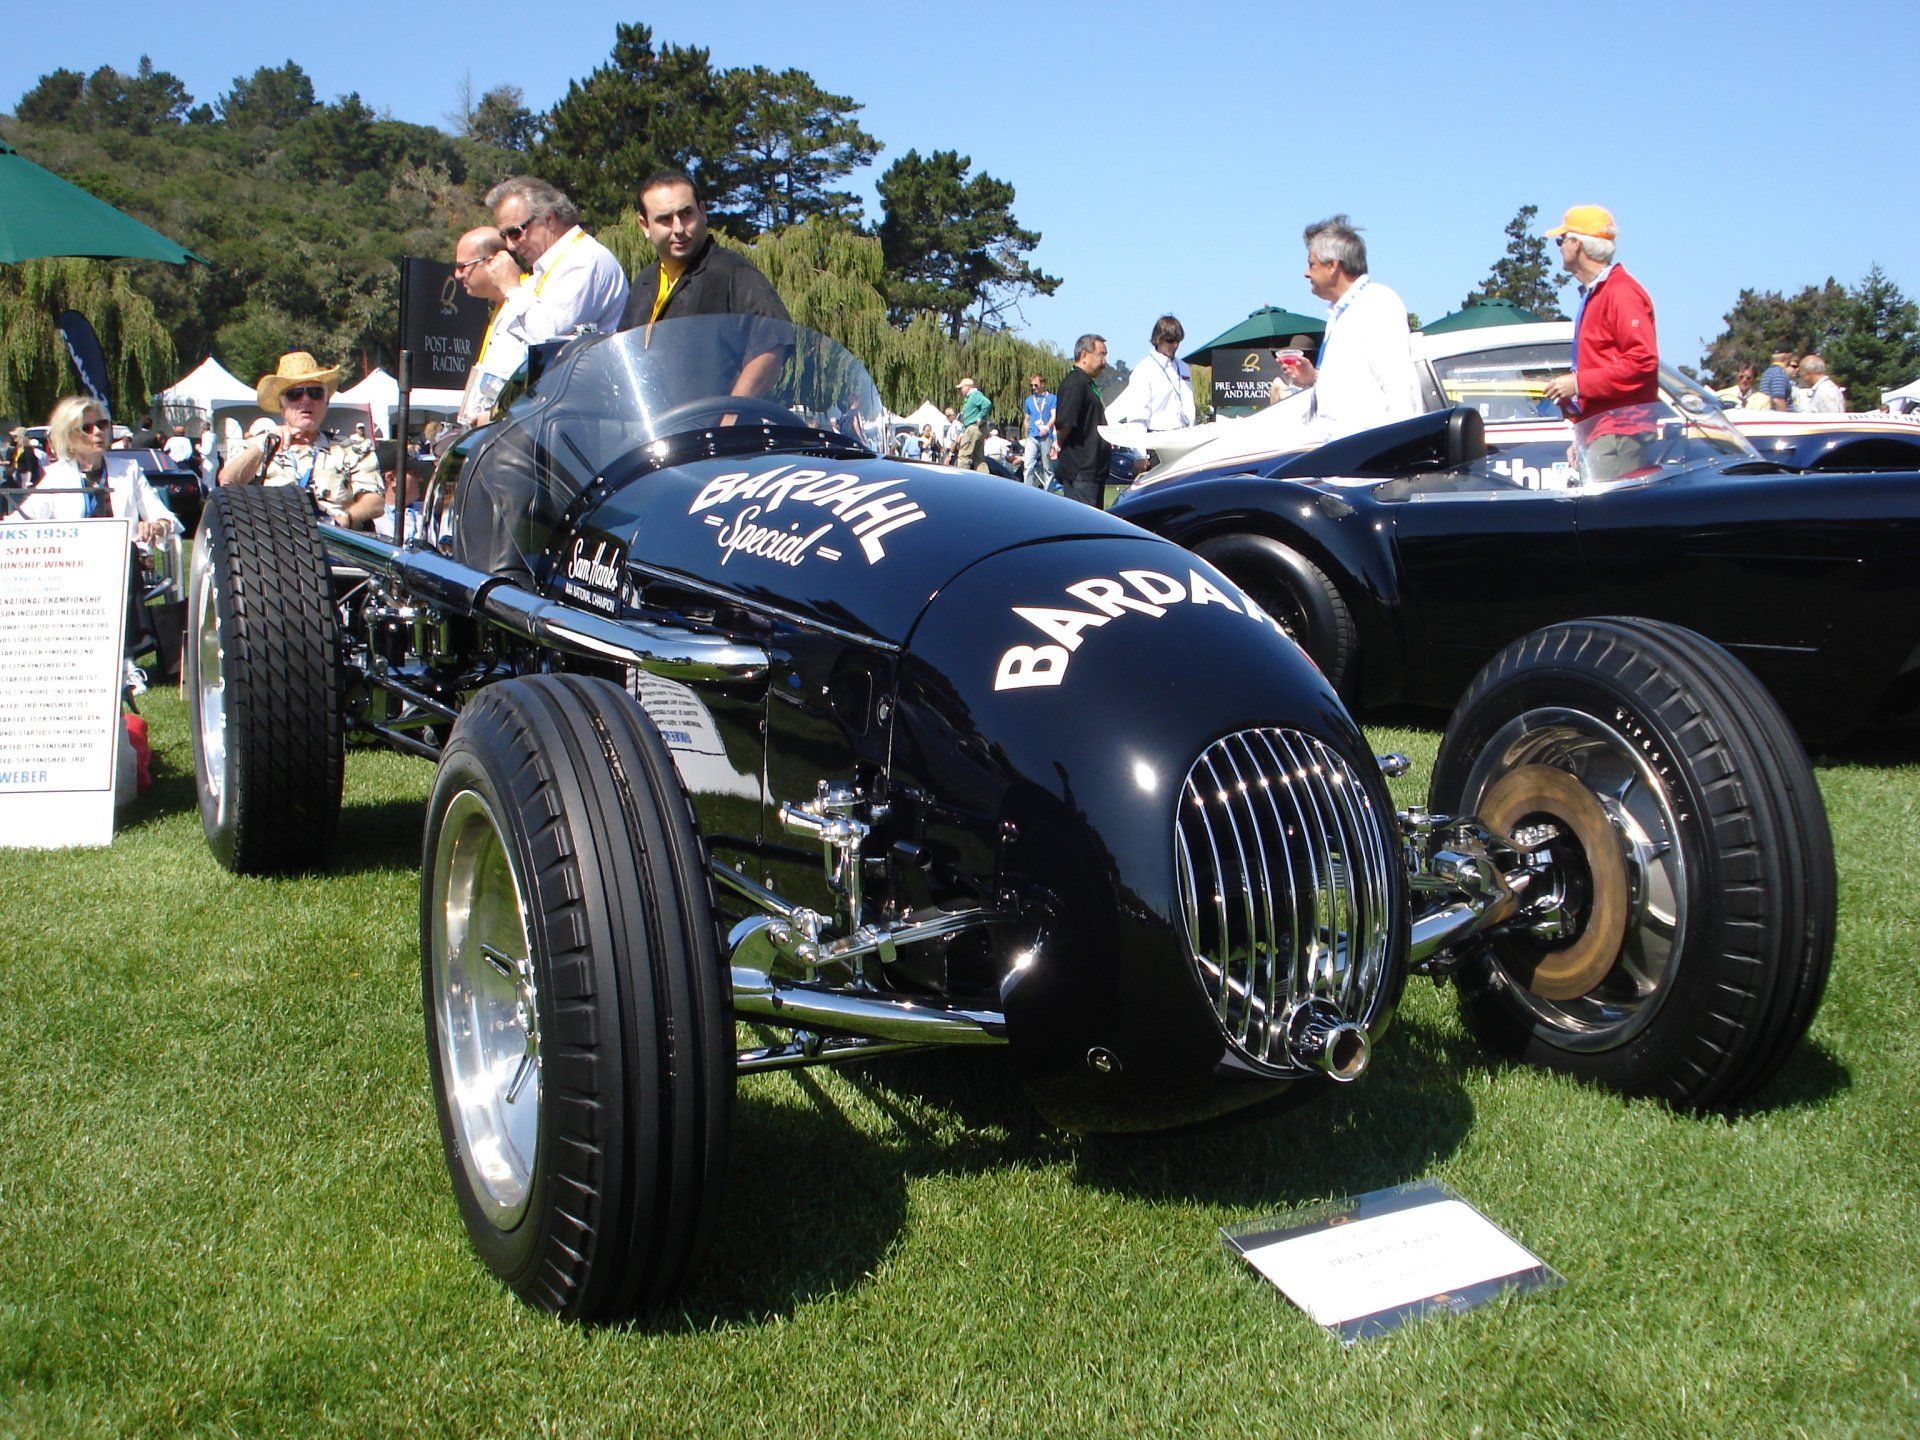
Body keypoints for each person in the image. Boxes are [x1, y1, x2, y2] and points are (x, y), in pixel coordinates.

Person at [618, 170, 792, 401]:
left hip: (713, 433)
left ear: (702, 211)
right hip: (653, 430)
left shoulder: (731, 271)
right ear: (645, 225)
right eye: (665, 219)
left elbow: (775, 339)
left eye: (686, 214)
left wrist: (733, 412)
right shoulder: (644, 282)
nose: (679, 228)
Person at [1538, 205, 1659, 480]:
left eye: (1561, 240)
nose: (1558, 248)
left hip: (1619, 431)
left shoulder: (1620, 292)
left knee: (1608, 519)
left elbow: (1643, 360)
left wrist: (1577, 384)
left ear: (1576, 244)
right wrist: (1583, 433)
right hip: (1605, 432)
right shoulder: (1602, 293)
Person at [1278, 216, 1422, 441]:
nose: (1306, 273)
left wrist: (1398, 452)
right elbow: (1355, 384)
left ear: (1333, 265)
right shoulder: (1343, 312)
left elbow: (1400, 387)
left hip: (1370, 464)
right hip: (1346, 461)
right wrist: (1314, 378)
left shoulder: (1376, 304)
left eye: (1312, 264)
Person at [218, 353, 384, 528]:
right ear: (281, 406)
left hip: (335, 543)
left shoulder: (353, 449)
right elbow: (227, 482)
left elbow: (375, 501)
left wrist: (345, 518)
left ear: (326, 402)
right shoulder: (257, 447)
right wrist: (266, 443)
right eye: (295, 394)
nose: (306, 400)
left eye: (315, 393)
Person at [485, 175, 629, 344]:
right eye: (504, 236)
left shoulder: (584, 259)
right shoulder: (548, 267)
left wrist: (511, 287)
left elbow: (546, 337)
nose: (510, 245)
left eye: (515, 233)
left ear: (549, 219)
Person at [452, 225, 533, 425]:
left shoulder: (528, 301)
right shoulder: (501, 306)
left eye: (463, 266)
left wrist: (494, 417)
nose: (457, 275)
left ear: (493, 261)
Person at [1107, 315, 1196, 434]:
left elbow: (1189, 405)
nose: (1175, 345)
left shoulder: (1184, 367)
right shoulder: (1144, 369)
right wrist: (1140, 450)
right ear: (1158, 339)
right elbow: (1138, 413)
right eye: (1170, 340)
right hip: (1156, 435)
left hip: (1184, 434)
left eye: (1178, 340)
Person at [1053, 334, 1113, 507]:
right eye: (1101, 355)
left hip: (1094, 470)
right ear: (1085, 355)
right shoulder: (1074, 383)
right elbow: (1064, 425)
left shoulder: (1087, 383)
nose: (1104, 361)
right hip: (1081, 472)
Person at [1022, 373, 1056, 489]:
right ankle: (1027, 491)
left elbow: (1054, 416)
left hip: (1046, 437)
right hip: (1032, 436)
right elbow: (1027, 419)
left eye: (1036, 385)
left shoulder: (1052, 398)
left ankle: (1048, 492)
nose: (1033, 388)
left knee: (1048, 468)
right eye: (1031, 385)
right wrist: (1026, 436)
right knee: (1028, 465)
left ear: (1043, 384)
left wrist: (1047, 427)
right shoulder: (1029, 400)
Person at [954, 377, 991, 470]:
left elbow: (987, 403)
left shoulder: (975, 395)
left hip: (973, 428)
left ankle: (962, 480)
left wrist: (981, 417)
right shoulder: (971, 397)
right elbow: (967, 417)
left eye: (961, 388)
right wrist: (962, 432)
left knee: (964, 456)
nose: (960, 390)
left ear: (967, 387)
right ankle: (985, 480)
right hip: (976, 428)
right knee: (979, 458)